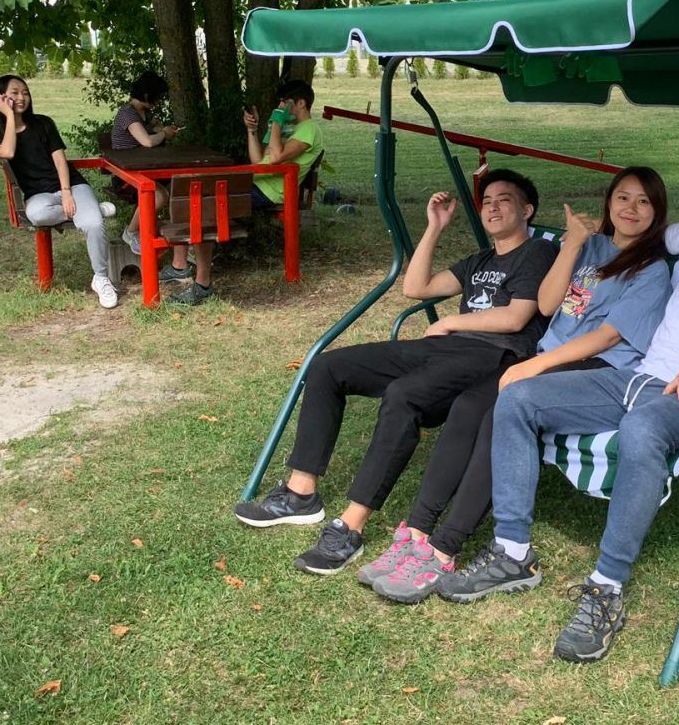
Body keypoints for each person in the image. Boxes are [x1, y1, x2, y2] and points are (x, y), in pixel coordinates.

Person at [437, 142, 679, 665]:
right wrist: (584, 235)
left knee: (641, 431)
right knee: (517, 398)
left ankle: (606, 587)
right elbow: (634, 231)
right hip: (635, 378)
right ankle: (513, 552)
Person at [364, 167, 673, 604]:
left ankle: (444, 548)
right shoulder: (590, 247)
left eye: (644, 202)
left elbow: (606, 338)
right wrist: (573, 244)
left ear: (657, 211)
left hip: (594, 368)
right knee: (468, 406)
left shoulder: (651, 270)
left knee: (499, 414)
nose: (631, 209)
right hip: (545, 356)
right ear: (609, 201)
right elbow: (547, 304)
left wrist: (536, 365)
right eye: (623, 197)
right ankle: (417, 531)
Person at [233, 169, 559, 578]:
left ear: (527, 211)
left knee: (405, 395)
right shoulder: (480, 260)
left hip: (493, 356)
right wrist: (434, 228)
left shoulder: (537, 253)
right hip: (445, 348)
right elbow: (415, 288)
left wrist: (451, 322)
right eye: (487, 201)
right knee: (329, 366)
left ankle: (350, 526)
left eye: (504, 200)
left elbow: (516, 317)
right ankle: (301, 493)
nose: (492, 207)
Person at [0, 74, 119, 309]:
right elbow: (8, 152)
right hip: (39, 196)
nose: (21, 97)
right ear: (0, 98)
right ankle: (91, 210)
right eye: (15, 93)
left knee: (94, 225)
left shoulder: (43, 123)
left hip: (71, 185)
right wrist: (10, 117)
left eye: (25, 92)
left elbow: (59, 159)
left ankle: (101, 278)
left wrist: (66, 192)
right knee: (37, 214)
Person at [111, 71, 196, 290]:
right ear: (147, 94)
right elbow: (147, 141)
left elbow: (153, 131)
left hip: (148, 170)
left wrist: (163, 130)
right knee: (159, 195)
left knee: (182, 190)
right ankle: (131, 232)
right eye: (157, 96)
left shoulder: (145, 114)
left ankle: (186, 246)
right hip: (126, 175)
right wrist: (163, 134)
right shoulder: (127, 114)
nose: (158, 101)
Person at [242, 79, 323, 211]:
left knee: (212, 197)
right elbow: (259, 161)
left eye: (285, 102)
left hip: (270, 193)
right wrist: (252, 130)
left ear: (301, 103)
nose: (280, 106)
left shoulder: (310, 129)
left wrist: (277, 120)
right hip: (256, 185)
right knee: (210, 189)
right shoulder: (288, 127)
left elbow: (275, 158)